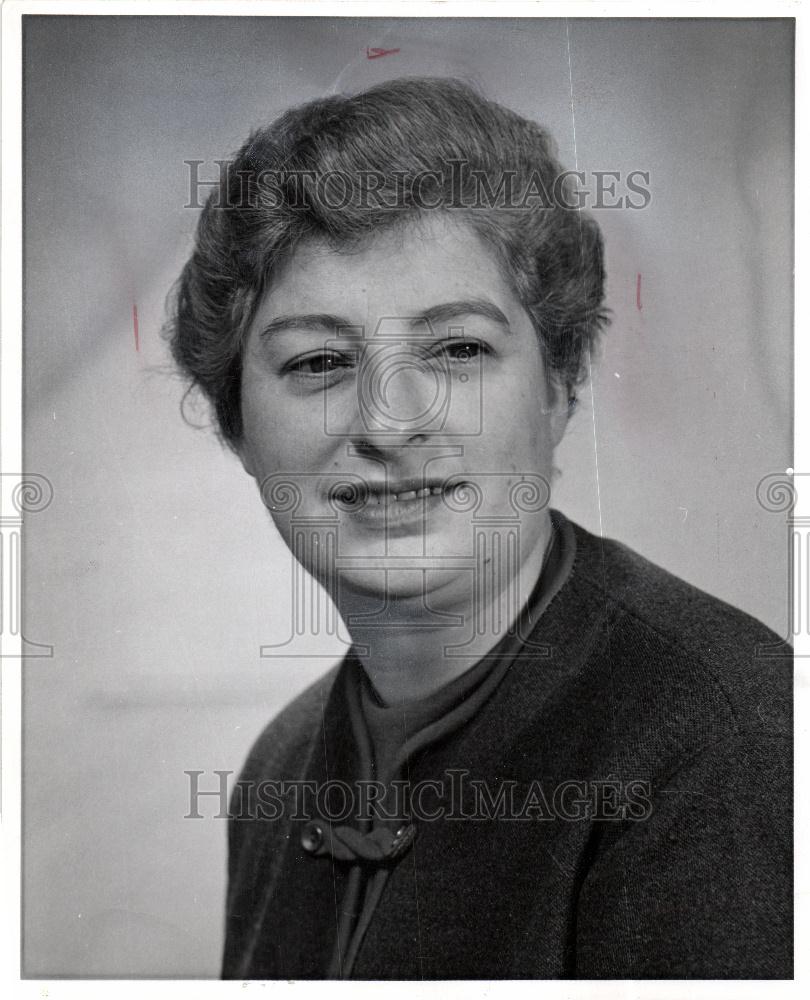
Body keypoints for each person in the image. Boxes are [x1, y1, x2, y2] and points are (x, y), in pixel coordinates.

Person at [167, 77, 792, 979]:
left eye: (458, 349)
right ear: (236, 424)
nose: (389, 421)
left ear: (560, 384)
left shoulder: (718, 744)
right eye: (319, 360)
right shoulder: (282, 770)